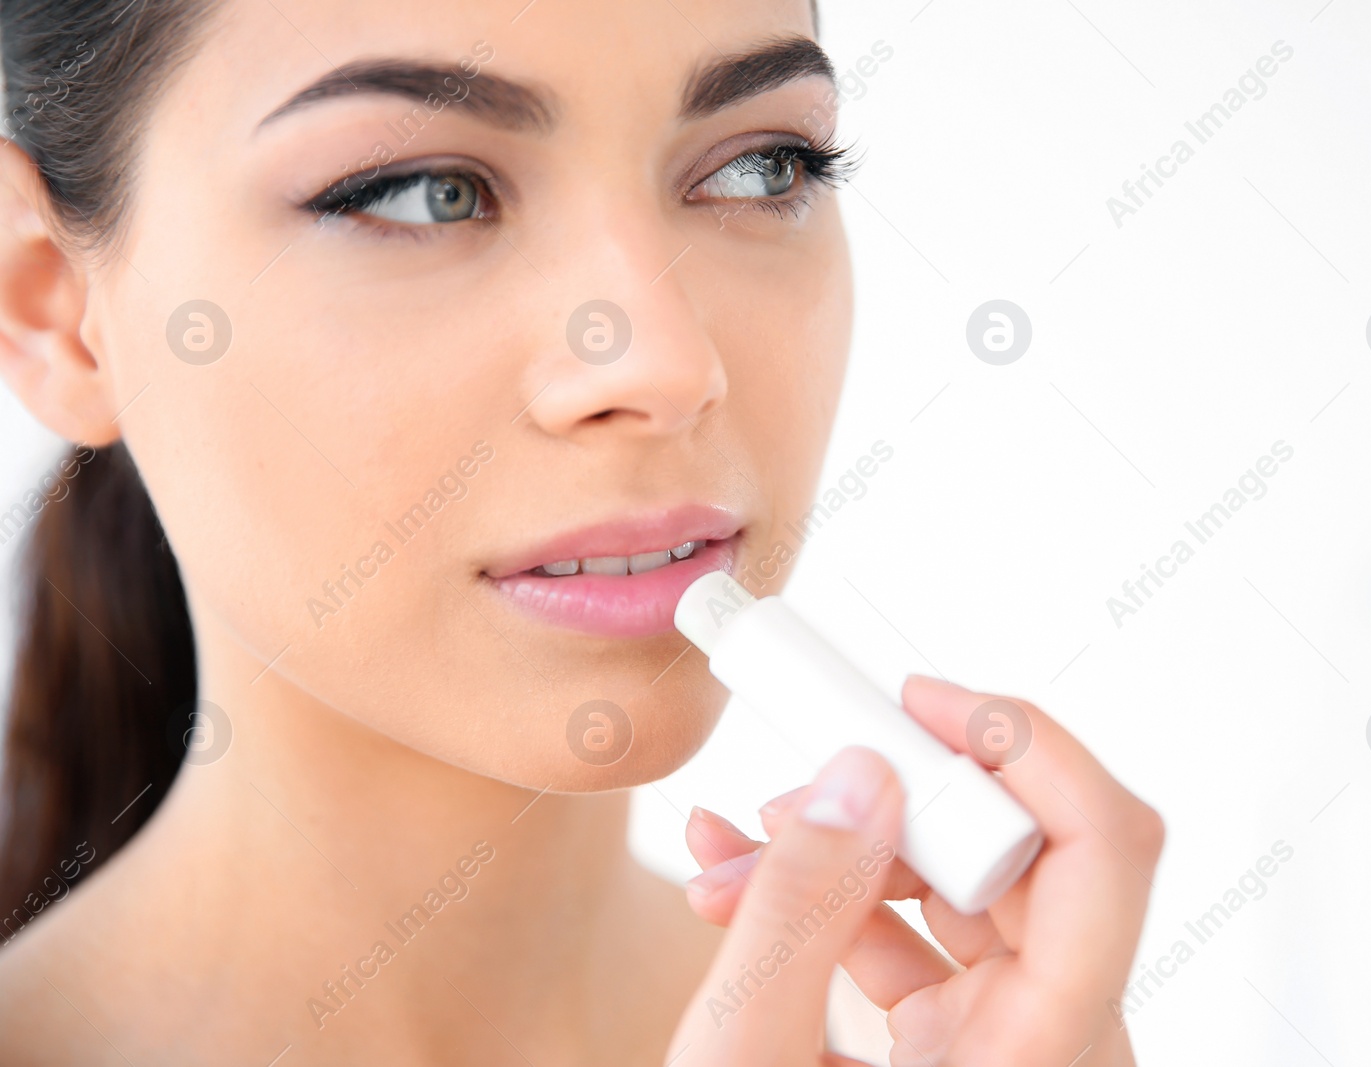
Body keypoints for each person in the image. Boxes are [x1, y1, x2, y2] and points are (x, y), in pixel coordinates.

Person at [0, 1, 1163, 1062]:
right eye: (425, 191)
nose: (665, 361)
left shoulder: (953, 1037)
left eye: (762, 167)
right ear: (53, 307)